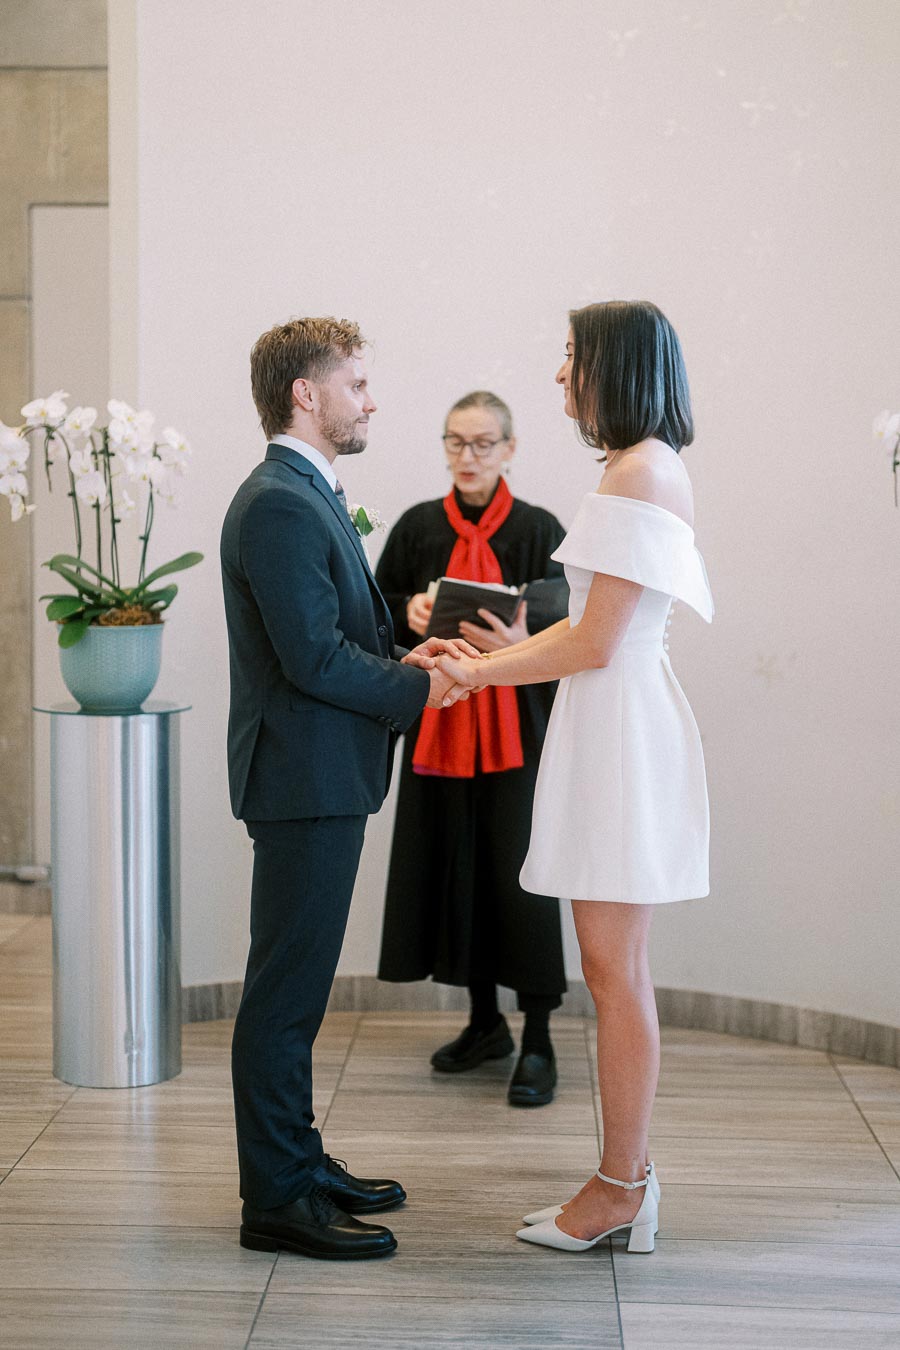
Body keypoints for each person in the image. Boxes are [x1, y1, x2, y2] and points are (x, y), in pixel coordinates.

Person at [436, 301, 713, 1254]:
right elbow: (587, 628)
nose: (560, 375)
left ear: (617, 366)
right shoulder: (638, 466)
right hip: (614, 721)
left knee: (614, 972)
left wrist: (475, 673)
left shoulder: (640, 469)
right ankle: (620, 1181)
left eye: (572, 356)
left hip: (623, 730)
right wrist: (492, 664)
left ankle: (621, 1189)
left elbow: (594, 640)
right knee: (611, 969)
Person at [220, 316, 476, 1261]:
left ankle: (299, 1162)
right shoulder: (281, 501)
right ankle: (277, 1201)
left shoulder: (302, 491)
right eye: (357, 384)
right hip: (302, 779)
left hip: (320, 775)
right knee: (284, 997)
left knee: (299, 991)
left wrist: (416, 651)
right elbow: (313, 659)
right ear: (306, 394)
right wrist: (423, 688)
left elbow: (344, 630)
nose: (371, 400)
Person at [375, 391, 570, 1106]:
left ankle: (541, 1038)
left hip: (517, 736)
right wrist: (408, 611)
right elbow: (372, 610)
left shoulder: (540, 527)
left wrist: (520, 641)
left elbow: (574, 621)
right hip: (440, 731)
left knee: (522, 884)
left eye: (483, 444)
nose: (468, 457)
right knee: (459, 874)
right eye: (456, 442)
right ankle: (486, 1023)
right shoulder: (419, 527)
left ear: (510, 448)